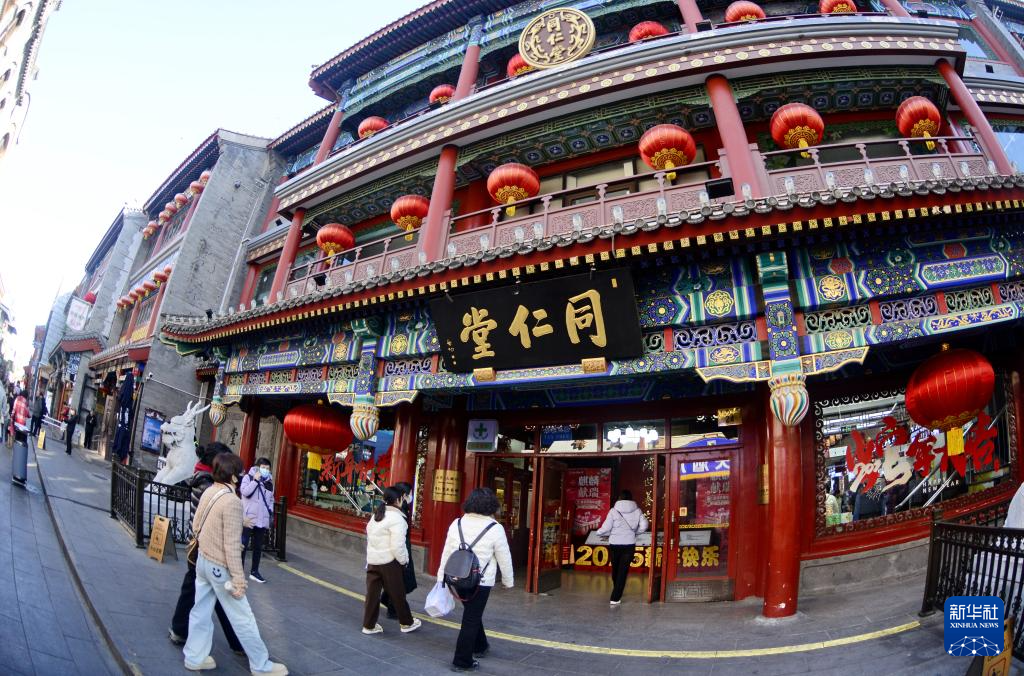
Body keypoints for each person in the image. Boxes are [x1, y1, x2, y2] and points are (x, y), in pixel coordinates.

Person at [183, 451, 287, 675]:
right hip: (219, 566)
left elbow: (196, 524)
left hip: (202, 560)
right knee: (242, 617)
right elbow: (231, 546)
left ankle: (194, 657)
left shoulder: (210, 491)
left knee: (200, 611)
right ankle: (261, 665)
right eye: (239, 472)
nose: (241, 475)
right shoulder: (232, 501)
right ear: (232, 476)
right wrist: (239, 579)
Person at [169, 442, 244, 656]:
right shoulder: (209, 486)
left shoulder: (202, 479)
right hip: (210, 549)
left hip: (200, 546)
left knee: (196, 590)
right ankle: (238, 642)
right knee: (224, 595)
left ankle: (180, 630)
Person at [437, 487, 514, 672]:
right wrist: (508, 581)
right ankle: (462, 661)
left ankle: (480, 645)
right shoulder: (495, 528)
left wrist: (441, 577)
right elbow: (504, 557)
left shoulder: (456, 523)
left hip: (457, 577)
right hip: (481, 581)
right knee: (471, 618)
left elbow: (447, 552)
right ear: (491, 505)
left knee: (472, 613)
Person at [362, 486, 421, 636]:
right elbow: (397, 546)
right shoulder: (398, 519)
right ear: (399, 499)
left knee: (372, 595)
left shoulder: (376, 515)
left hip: (373, 560)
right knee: (398, 593)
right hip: (390, 562)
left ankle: (368, 625)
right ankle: (407, 623)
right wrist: (404, 560)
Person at [595, 489, 649, 606]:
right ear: (631, 498)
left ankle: (615, 595)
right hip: (629, 545)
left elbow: (606, 527)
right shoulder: (637, 511)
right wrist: (636, 532)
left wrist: (598, 533)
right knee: (623, 571)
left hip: (615, 544)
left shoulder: (613, 511)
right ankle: (617, 593)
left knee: (615, 570)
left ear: (619, 498)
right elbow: (644, 525)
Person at [381, 481, 416, 620]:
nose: (412, 496)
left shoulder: (393, 509)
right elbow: (398, 540)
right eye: (410, 494)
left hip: (394, 550)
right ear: (404, 496)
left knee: (397, 581)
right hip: (398, 551)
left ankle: (388, 600)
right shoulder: (399, 513)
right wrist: (403, 558)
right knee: (400, 582)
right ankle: (397, 612)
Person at [241, 457, 275, 584]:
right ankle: (238, 570)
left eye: (267, 468)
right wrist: (255, 481)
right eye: (263, 467)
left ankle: (254, 571)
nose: (265, 470)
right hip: (249, 518)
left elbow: (271, 499)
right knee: (243, 544)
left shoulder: (270, 483)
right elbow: (245, 492)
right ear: (257, 468)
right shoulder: (248, 478)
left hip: (262, 519)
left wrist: (270, 510)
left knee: (258, 546)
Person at [10, 388, 30, 486]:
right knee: (22, 444)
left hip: (16, 425)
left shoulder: (17, 399)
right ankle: (20, 472)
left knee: (17, 443)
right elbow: (28, 414)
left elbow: (13, 411)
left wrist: (12, 420)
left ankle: (16, 468)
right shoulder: (26, 402)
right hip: (23, 427)